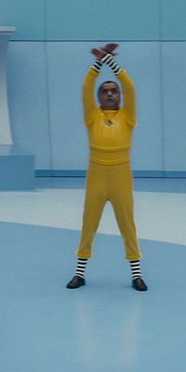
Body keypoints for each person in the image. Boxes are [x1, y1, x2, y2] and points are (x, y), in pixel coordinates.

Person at [66, 43, 147, 292]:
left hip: (121, 175)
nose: (110, 94)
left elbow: (130, 86)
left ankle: (137, 275)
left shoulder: (127, 116)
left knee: (127, 224)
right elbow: (86, 86)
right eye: (105, 91)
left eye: (114, 91)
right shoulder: (92, 116)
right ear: (99, 98)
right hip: (97, 175)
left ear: (120, 97)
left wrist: (111, 61)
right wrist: (98, 63)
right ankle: (79, 273)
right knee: (89, 223)